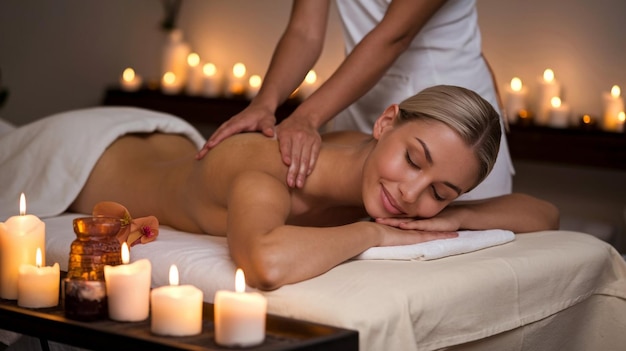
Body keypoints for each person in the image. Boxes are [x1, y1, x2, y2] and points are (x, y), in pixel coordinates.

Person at [69, 86, 558, 290]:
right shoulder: (273, 173)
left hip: (167, 143)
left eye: (441, 191)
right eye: (413, 160)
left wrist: (455, 216)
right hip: (89, 154)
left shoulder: (374, 171)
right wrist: (375, 235)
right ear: (386, 122)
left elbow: (543, 214)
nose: (412, 194)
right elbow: (266, 263)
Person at [197, 0, 514, 201]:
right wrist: (265, 104)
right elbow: (304, 31)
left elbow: (395, 36)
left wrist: (307, 118)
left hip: (448, 126)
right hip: (356, 99)